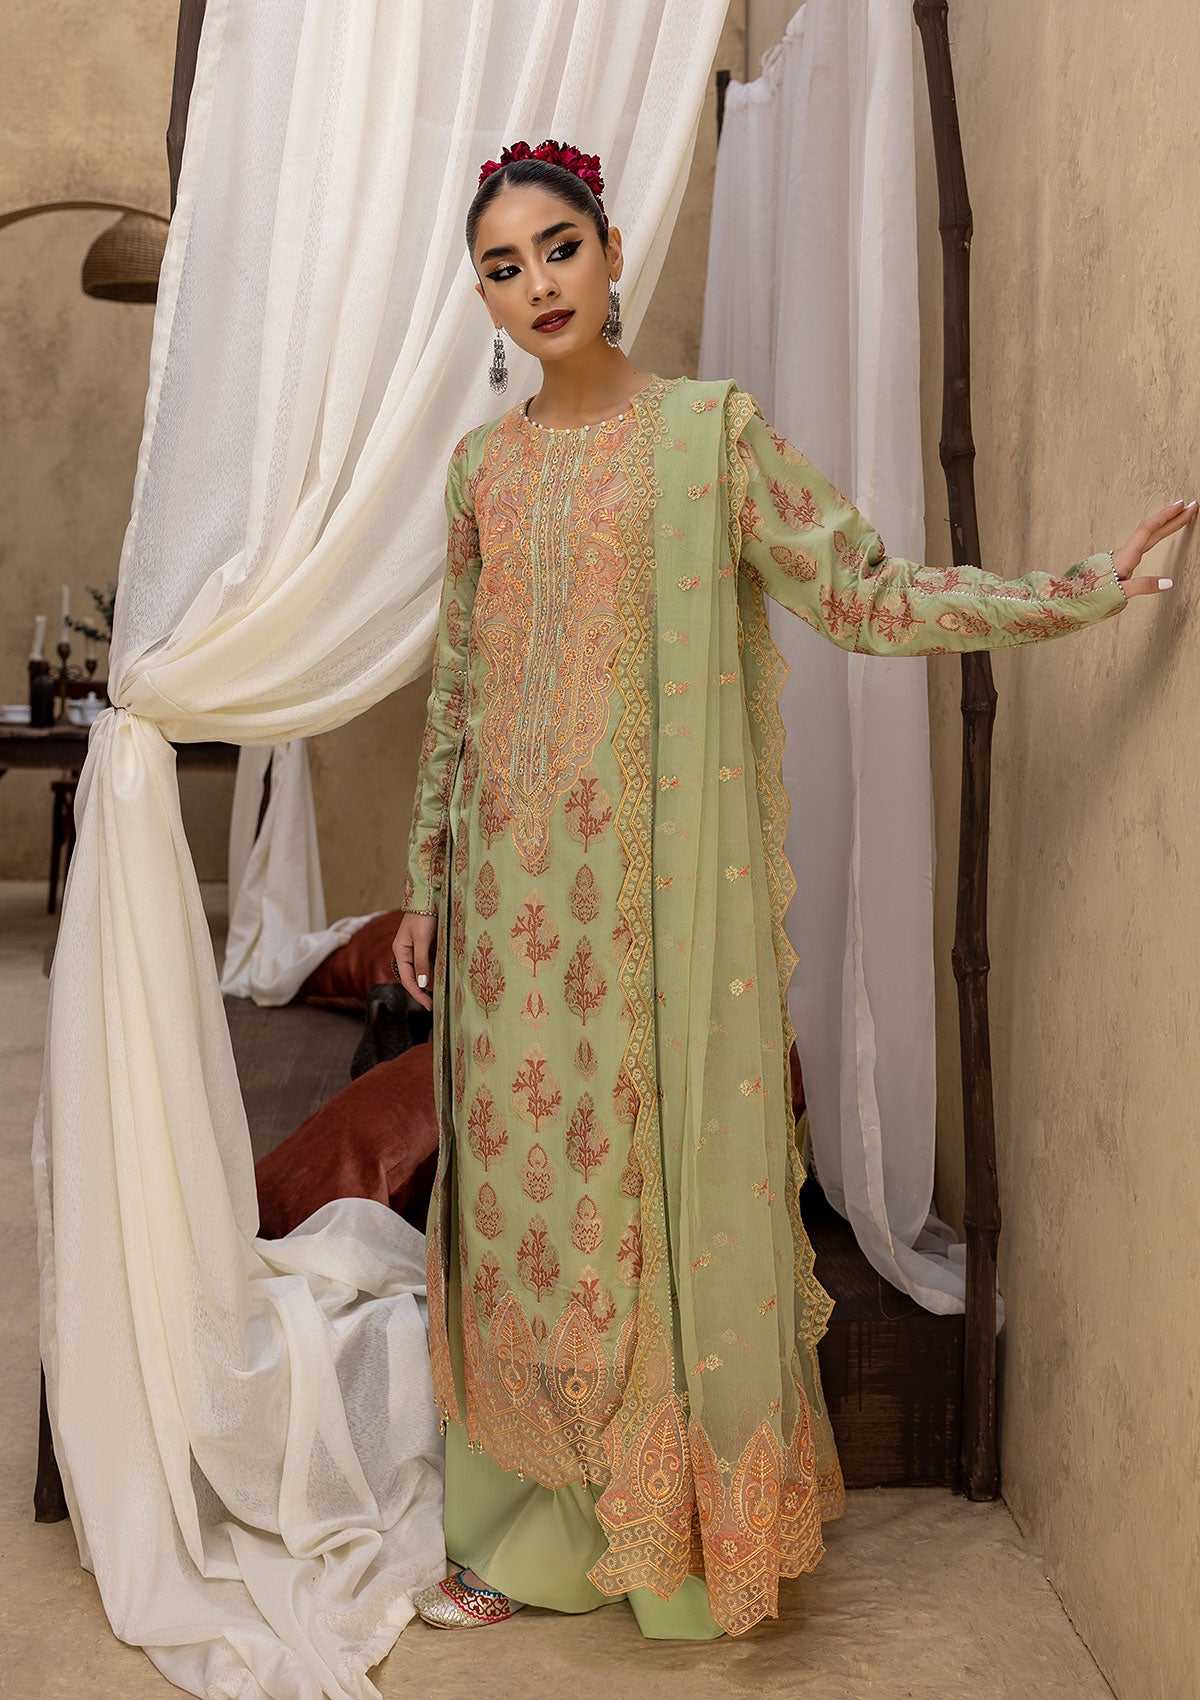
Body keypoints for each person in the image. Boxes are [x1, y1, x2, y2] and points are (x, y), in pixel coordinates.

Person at [393, 138, 1191, 1639]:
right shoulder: (480, 473)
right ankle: (520, 1534)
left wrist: (1079, 588)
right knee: (523, 1208)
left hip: (649, 917)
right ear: (482, 300)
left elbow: (868, 594)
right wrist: (429, 877)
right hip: (508, 920)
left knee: (639, 1202)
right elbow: (460, 685)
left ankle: (675, 1540)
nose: (537, 284)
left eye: (559, 248)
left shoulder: (710, 440)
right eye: (501, 268)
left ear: (612, 252)